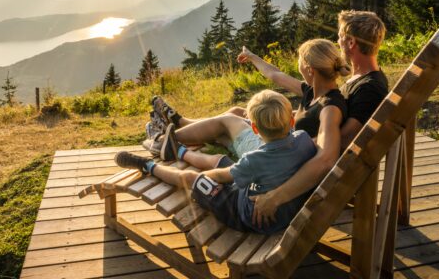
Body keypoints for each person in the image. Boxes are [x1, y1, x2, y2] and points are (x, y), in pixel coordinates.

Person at [148, 10, 388, 227]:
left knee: (229, 122)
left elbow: (333, 146)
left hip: (285, 156)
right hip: (287, 147)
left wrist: (279, 190)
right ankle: (178, 124)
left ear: (351, 42)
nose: (337, 41)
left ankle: (167, 139)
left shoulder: (364, 91)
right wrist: (253, 58)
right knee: (236, 113)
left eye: (339, 36)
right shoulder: (347, 84)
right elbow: (281, 79)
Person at [115, 90, 317, 234]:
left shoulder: (254, 160)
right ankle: (181, 151)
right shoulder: (304, 139)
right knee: (221, 160)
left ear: (254, 129)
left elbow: (222, 175)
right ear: (291, 121)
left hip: (246, 214)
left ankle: (148, 166)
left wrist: (204, 178)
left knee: (194, 178)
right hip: (274, 199)